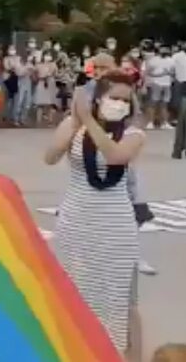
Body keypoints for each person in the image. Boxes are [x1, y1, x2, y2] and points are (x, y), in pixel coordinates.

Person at [46, 71, 144, 361]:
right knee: (73, 295)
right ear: (98, 97)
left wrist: (88, 119)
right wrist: (76, 121)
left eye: (125, 100)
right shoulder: (75, 126)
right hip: (76, 220)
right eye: (113, 97)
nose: (119, 104)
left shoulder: (133, 133)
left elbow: (115, 156)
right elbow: (50, 157)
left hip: (115, 226)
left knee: (117, 299)